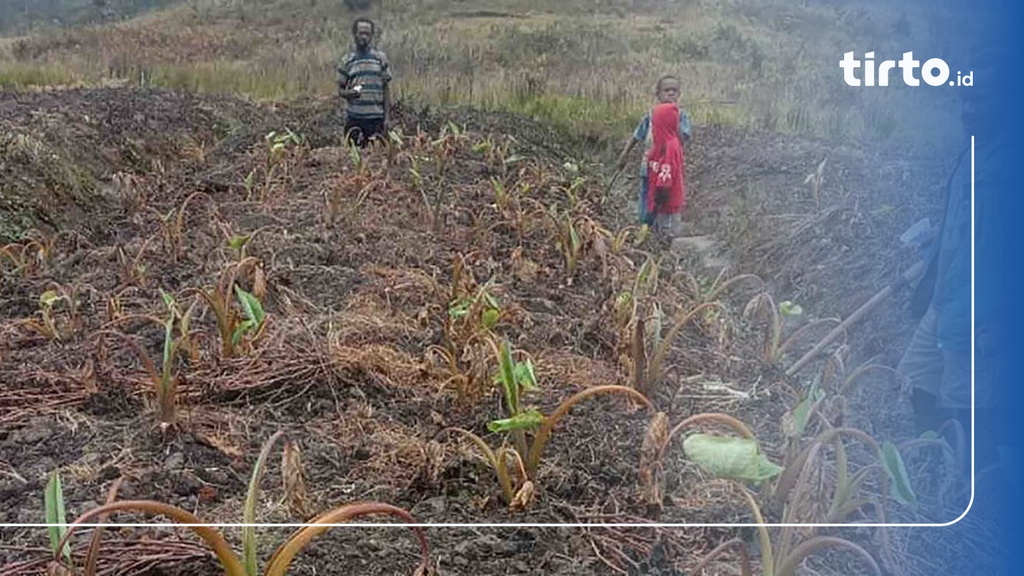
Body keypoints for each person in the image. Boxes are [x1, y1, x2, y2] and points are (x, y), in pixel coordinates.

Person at [897, 45, 1007, 479]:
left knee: (968, 404)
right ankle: (933, 460)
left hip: (979, 314)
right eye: (966, 98)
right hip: (947, 301)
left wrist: (1001, 319)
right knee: (917, 377)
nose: (970, 108)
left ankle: (966, 490)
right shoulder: (973, 154)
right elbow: (961, 227)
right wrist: (931, 251)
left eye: (982, 99)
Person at [616, 75, 692, 231]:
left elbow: (683, 138)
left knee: (665, 201)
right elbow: (637, 136)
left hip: (668, 170)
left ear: (679, 94)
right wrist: (624, 155)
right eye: (666, 90)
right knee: (647, 201)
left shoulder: (681, 115)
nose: (671, 94)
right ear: (658, 94)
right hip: (649, 168)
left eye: (674, 91)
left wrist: (672, 119)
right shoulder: (651, 116)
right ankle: (646, 228)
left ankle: (662, 233)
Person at [337, 17, 392, 147]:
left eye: (367, 33)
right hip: (354, 119)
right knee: (352, 159)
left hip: (376, 120)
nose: (364, 37)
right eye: (361, 33)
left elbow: (386, 88)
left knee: (376, 160)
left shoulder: (380, 58)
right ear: (354, 34)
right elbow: (340, 90)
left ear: (372, 36)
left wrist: (387, 118)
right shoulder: (347, 61)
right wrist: (350, 93)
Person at [644, 103, 687, 232]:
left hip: (667, 200)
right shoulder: (660, 145)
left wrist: (660, 193)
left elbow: (667, 173)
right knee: (660, 228)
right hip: (660, 200)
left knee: (666, 230)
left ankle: (667, 248)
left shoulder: (670, 146)